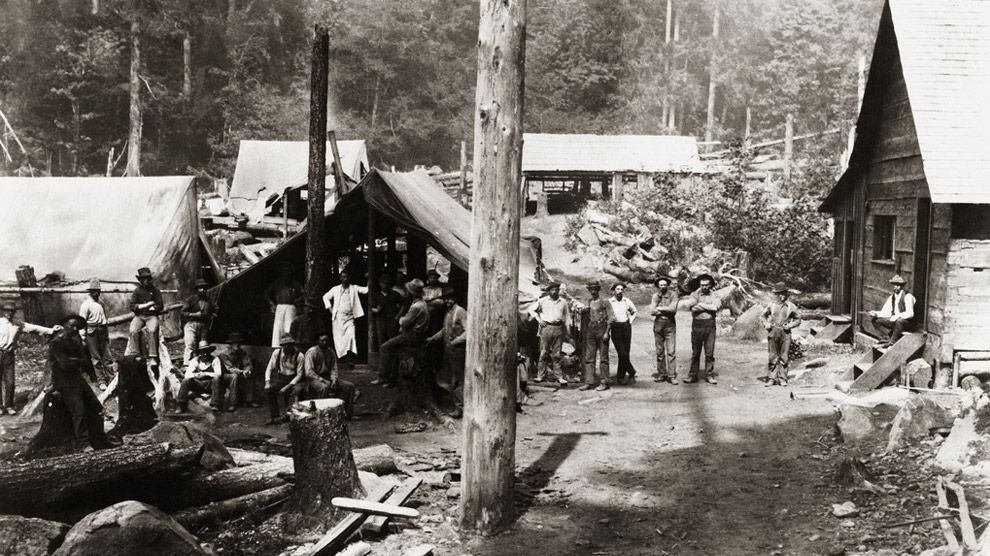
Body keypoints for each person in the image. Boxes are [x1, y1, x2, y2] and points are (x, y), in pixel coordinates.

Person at [47, 314, 111, 449]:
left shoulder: (75, 342)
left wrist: (76, 361)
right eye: (72, 326)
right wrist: (77, 361)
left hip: (76, 378)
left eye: (77, 327)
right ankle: (84, 444)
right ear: (64, 326)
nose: (75, 329)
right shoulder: (56, 343)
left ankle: (99, 439)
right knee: (79, 412)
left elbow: (86, 362)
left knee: (96, 407)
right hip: (63, 381)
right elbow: (65, 365)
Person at [1, 300, 51, 416]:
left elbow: (34, 328)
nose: (9, 313)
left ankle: (8, 405)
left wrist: (51, 330)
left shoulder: (17, 324)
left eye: (12, 311)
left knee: (10, 382)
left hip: (9, 354)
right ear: (4, 312)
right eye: (7, 311)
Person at [295, 331, 359, 418]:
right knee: (324, 387)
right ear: (317, 341)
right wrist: (322, 380)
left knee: (349, 386)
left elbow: (334, 368)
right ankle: (321, 415)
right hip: (314, 379)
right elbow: (309, 372)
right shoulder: (312, 352)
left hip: (328, 377)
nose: (324, 343)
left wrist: (334, 379)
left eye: (326, 340)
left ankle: (348, 414)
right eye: (322, 340)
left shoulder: (330, 351)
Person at [380, 279, 431, 375]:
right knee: (394, 347)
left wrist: (401, 318)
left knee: (384, 347)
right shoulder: (422, 303)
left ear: (412, 293)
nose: (407, 292)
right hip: (416, 334)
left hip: (412, 335)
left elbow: (404, 322)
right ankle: (391, 377)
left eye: (408, 291)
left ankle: (383, 375)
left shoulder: (417, 306)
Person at [428, 287, 467, 411]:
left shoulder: (460, 311)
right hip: (448, 350)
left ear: (455, 299)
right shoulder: (448, 312)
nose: (448, 301)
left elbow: (468, 331)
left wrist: (455, 342)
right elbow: (445, 329)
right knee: (448, 378)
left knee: (457, 379)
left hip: (458, 351)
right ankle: (456, 403)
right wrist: (433, 338)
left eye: (450, 299)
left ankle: (460, 408)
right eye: (446, 299)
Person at [322, 269, 369, 367]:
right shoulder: (335, 289)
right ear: (340, 278)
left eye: (347, 277)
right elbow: (325, 297)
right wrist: (331, 310)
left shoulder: (354, 288)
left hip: (350, 318)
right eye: (343, 277)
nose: (345, 279)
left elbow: (366, 290)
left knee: (351, 337)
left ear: (349, 278)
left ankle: (350, 359)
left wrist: (368, 278)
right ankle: (340, 360)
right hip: (338, 318)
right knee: (339, 339)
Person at [761, 282, 802, 387]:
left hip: (785, 333)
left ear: (786, 294)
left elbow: (798, 319)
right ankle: (771, 378)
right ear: (776, 295)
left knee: (784, 357)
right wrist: (766, 324)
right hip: (773, 332)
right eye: (779, 293)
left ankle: (783, 378)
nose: (781, 296)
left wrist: (791, 325)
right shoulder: (772, 305)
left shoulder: (791, 306)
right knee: (772, 356)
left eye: (783, 293)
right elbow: (763, 316)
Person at [531, 282, 571, 386]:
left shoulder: (563, 302)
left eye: (556, 290)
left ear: (558, 290)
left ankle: (559, 377)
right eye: (552, 290)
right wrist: (539, 320)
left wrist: (567, 329)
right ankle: (540, 376)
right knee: (544, 353)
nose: (554, 292)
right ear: (549, 291)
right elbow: (531, 310)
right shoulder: (542, 301)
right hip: (546, 328)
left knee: (557, 354)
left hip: (558, 328)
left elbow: (567, 316)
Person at [685, 274, 721, 385]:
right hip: (697, 326)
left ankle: (709, 375)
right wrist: (707, 306)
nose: (704, 287)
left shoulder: (715, 295)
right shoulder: (695, 294)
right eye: (702, 285)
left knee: (709, 353)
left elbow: (715, 307)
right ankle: (692, 375)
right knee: (695, 352)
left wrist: (700, 304)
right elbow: (690, 306)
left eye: (706, 285)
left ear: (710, 285)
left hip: (710, 326)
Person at [175, 340, 230, 412]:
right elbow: (187, 375)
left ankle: (215, 404)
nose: (205, 354)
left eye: (207, 352)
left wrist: (206, 374)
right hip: (198, 384)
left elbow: (218, 373)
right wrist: (196, 375)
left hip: (210, 385)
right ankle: (180, 404)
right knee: (185, 381)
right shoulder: (195, 360)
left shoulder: (215, 359)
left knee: (216, 379)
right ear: (199, 353)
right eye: (203, 352)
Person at [370, 273, 403, 387]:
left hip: (392, 322)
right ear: (380, 284)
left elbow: (403, 305)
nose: (385, 285)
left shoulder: (395, 294)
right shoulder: (376, 295)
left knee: (392, 347)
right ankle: (382, 375)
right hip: (381, 321)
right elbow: (371, 308)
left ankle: (391, 376)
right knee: (382, 346)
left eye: (387, 284)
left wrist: (398, 316)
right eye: (383, 283)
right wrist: (376, 310)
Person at [79, 279, 114, 388]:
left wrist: (107, 334)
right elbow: (81, 322)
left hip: (102, 330)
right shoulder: (86, 305)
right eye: (94, 291)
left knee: (107, 356)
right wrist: (83, 336)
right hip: (92, 331)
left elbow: (105, 318)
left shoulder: (101, 303)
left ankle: (112, 378)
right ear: (90, 291)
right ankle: (101, 381)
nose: (96, 293)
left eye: (98, 290)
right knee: (96, 358)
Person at [263, 334, 305, 424]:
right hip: (282, 377)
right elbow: (269, 368)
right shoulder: (277, 353)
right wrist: (267, 382)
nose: (285, 347)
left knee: (296, 391)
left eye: (288, 345)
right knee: (270, 390)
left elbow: (300, 375)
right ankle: (275, 417)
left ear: (292, 345)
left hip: (295, 379)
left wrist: (287, 387)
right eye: (283, 345)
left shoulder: (300, 356)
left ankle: (288, 416)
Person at [126, 267, 163, 366]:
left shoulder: (155, 291)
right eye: (144, 279)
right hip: (139, 316)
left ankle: (152, 356)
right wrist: (145, 305)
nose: (146, 281)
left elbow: (160, 305)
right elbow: (132, 306)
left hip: (151, 316)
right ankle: (135, 353)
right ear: (140, 280)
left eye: (148, 278)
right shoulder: (137, 291)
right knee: (133, 330)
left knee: (151, 330)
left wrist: (152, 308)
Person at [580, 282, 613, 391]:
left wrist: (606, 332)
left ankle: (604, 381)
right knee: (589, 357)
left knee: (603, 358)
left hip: (602, 329)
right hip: (591, 330)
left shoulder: (605, 302)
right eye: (591, 289)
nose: (593, 291)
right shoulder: (589, 302)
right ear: (589, 290)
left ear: (598, 290)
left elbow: (611, 319)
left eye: (595, 289)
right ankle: (589, 381)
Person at [649, 271, 680, 384]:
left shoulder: (673, 294)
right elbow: (652, 311)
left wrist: (660, 308)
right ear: (658, 286)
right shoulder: (655, 296)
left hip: (670, 326)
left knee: (671, 351)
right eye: (660, 285)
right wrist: (664, 309)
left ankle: (671, 375)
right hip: (658, 325)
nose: (663, 286)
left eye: (664, 284)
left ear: (667, 285)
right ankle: (661, 374)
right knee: (660, 351)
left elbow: (673, 309)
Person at [869, 274, 916, 347]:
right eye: (894, 285)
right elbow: (886, 311)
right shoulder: (892, 297)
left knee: (899, 321)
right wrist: (876, 314)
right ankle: (887, 338)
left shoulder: (908, 296)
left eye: (898, 285)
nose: (895, 287)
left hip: (908, 323)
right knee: (876, 320)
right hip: (896, 322)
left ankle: (892, 342)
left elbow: (910, 314)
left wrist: (897, 316)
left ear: (902, 286)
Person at [265, 263, 303, 348]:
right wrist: (272, 304)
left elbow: (303, 293)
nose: (286, 274)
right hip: (279, 307)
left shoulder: (295, 284)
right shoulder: (277, 283)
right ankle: (276, 347)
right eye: (284, 272)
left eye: (287, 272)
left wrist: (296, 301)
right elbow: (266, 294)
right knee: (278, 328)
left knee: (289, 327)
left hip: (291, 307)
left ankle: (289, 346)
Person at [218, 332, 259, 408]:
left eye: (238, 342)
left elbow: (247, 364)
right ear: (230, 344)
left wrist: (247, 370)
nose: (237, 344)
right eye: (234, 343)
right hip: (226, 376)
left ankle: (249, 400)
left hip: (239, 373)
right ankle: (232, 403)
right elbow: (230, 368)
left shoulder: (242, 352)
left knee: (250, 375)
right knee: (234, 377)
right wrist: (242, 371)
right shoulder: (224, 354)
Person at [608, 283, 638, 385]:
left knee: (626, 352)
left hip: (626, 327)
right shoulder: (610, 302)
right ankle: (631, 371)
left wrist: (630, 321)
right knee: (622, 353)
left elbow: (634, 311)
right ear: (614, 290)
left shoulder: (627, 301)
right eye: (618, 289)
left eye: (621, 289)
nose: (620, 291)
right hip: (615, 328)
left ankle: (621, 377)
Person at [181, 279, 214, 363]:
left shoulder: (208, 300)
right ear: (196, 289)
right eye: (200, 288)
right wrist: (195, 314)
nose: (202, 290)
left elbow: (215, 309)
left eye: (204, 288)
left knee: (203, 345)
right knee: (190, 344)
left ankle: (201, 364)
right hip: (192, 324)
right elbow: (183, 312)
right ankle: (187, 364)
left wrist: (211, 315)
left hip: (204, 325)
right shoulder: (190, 300)